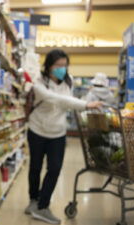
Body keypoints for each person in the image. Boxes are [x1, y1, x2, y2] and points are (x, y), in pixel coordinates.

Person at [25, 49, 102, 224]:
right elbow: (58, 100)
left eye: (64, 65)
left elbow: (66, 102)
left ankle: (42, 206)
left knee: (55, 168)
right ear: (49, 66)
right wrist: (86, 104)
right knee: (35, 167)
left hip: (58, 133)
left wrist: (83, 108)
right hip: (37, 130)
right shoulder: (38, 83)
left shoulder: (69, 81)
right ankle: (33, 201)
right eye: (58, 65)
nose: (62, 69)